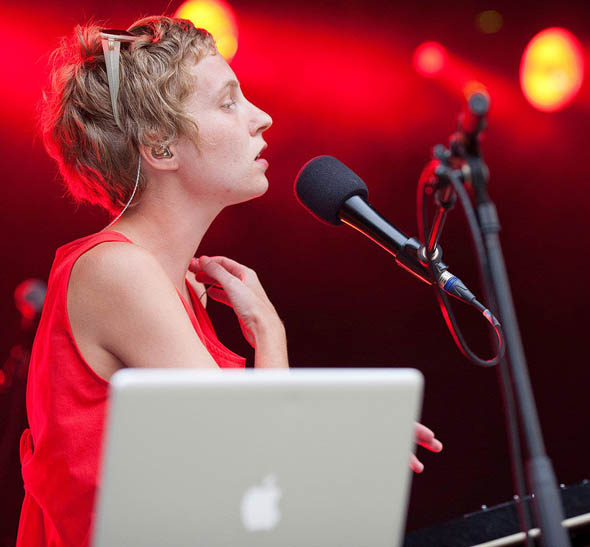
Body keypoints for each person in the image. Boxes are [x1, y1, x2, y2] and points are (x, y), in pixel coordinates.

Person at [20, 16, 442, 546]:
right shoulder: (117, 270)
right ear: (160, 147)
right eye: (227, 102)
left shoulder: (170, 289)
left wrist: (330, 428)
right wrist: (271, 333)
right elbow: (252, 479)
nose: (261, 118)